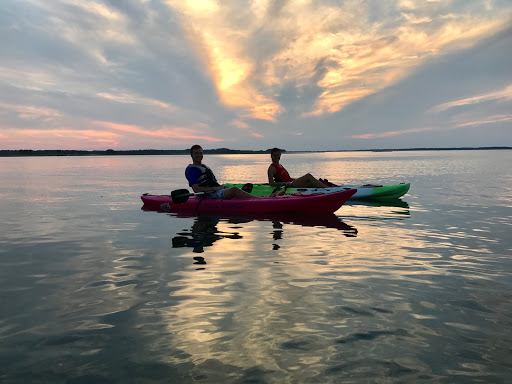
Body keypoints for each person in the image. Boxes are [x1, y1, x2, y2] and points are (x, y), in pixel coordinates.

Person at [186, 145, 260, 199]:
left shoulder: (204, 167)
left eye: (200, 153)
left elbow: (212, 183)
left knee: (233, 188)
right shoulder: (191, 170)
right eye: (196, 153)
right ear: (191, 155)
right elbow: (196, 189)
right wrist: (216, 189)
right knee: (234, 189)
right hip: (208, 194)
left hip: (215, 191)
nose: (199, 155)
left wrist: (221, 187)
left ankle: (246, 196)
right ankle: (258, 199)